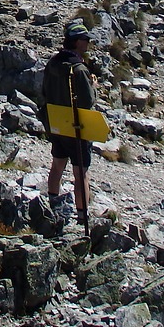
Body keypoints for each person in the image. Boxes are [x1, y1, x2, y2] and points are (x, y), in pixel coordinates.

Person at [42, 20, 97, 227]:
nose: (88, 44)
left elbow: (45, 92)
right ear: (76, 42)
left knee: (57, 166)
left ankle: (52, 206)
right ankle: (82, 217)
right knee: (80, 173)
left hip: (57, 123)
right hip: (77, 126)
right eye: (85, 40)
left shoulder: (53, 63)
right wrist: (94, 86)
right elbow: (88, 101)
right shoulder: (79, 69)